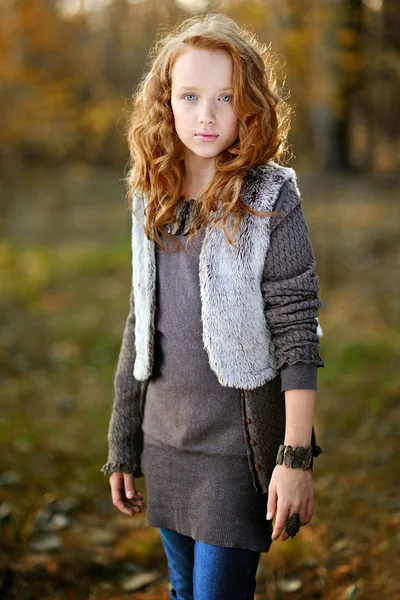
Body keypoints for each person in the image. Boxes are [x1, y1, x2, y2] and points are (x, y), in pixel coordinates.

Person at [101, 12, 325, 600]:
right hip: (165, 440)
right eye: (190, 95)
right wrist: (123, 442)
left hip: (236, 451)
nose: (206, 114)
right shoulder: (151, 193)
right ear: (165, 102)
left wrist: (295, 457)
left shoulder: (269, 198)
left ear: (248, 106)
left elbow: (298, 327)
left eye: (226, 97)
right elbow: (139, 319)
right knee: (182, 592)